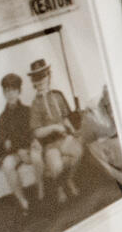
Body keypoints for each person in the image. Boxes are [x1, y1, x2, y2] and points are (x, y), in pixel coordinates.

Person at [28, 58, 83, 204]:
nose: (40, 81)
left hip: (64, 138)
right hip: (49, 145)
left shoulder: (58, 95)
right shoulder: (35, 104)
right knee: (56, 166)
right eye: (36, 78)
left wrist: (72, 131)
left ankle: (69, 180)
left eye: (43, 76)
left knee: (78, 151)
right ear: (33, 82)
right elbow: (37, 132)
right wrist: (53, 127)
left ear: (48, 76)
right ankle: (59, 188)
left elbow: (65, 117)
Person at [0, 72, 40, 211]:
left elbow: (32, 133)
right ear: (4, 93)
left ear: (19, 91)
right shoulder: (2, 118)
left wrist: (28, 147)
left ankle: (42, 192)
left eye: (13, 90)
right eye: (7, 91)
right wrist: (18, 150)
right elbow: (5, 143)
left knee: (38, 156)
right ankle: (23, 201)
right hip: (16, 152)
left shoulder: (28, 110)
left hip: (29, 148)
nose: (10, 94)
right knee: (7, 164)